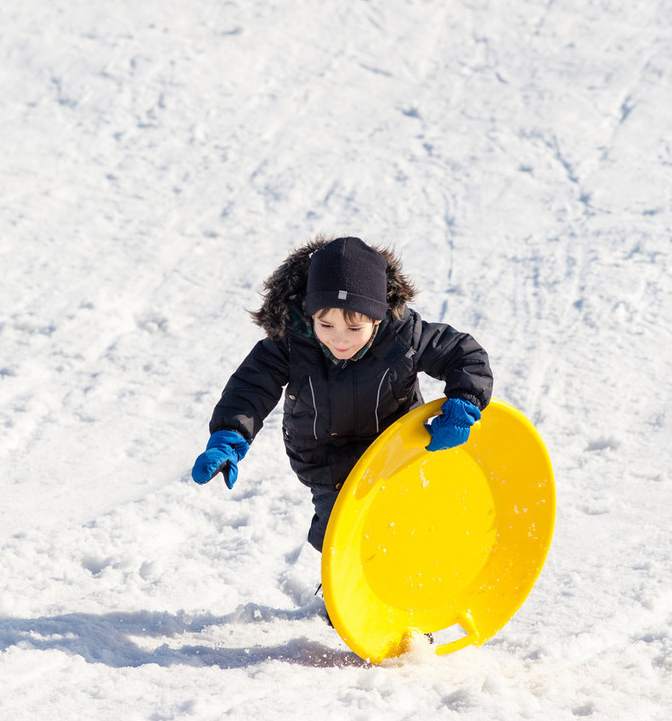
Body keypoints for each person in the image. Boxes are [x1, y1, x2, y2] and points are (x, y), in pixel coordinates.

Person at [192, 235, 493, 553]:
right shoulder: (291, 342)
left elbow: (463, 354)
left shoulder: (404, 335)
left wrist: (464, 402)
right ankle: (344, 595)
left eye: (354, 329)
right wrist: (229, 437)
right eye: (325, 324)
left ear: (377, 317)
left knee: (409, 518)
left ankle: (413, 580)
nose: (340, 340)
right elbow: (251, 387)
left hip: (395, 447)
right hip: (327, 461)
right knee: (341, 533)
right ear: (310, 314)